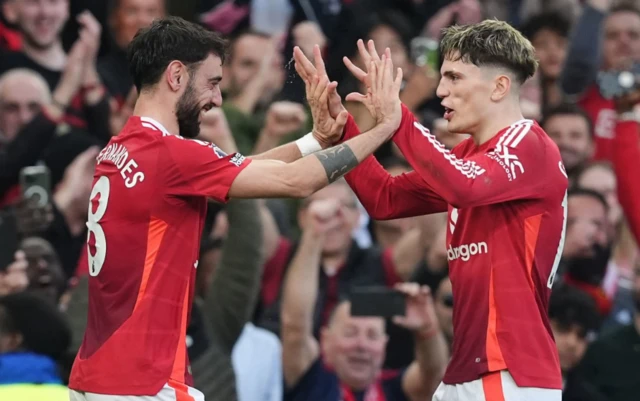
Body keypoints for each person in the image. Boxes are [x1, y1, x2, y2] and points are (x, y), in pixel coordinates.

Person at [68, 16, 404, 401]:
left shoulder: (124, 147)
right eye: (212, 82)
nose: (217, 100)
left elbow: (251, 168)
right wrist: (381, 130)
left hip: (100, 376)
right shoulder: (170, 155)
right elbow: (297, 182)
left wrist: (318, 139)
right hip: (141, 381)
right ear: (176, 75)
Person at [294, 19, 568, 400]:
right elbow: (385, 199)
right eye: (442, 78)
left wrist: (398, 116)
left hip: (509, 372)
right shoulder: (470, 158)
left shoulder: (529, 144)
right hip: (466, 372)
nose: (441, 91)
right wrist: (343, 133)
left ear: (499, 86)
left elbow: (465, 186)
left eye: (454, 78)